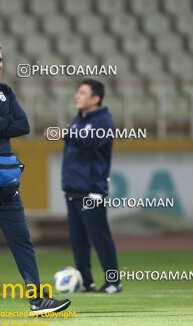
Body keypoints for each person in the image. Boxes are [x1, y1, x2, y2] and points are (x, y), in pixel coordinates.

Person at [0, 40, 71, 317]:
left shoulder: (5, 91)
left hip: (5, 175)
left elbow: (24, 125)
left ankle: (37, 300)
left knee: (22, 240)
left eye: (0, 60)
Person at [60, 79, 122, 293]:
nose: (77, 96)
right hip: (73, 189)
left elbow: (90, 142)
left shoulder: (103, 120)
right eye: (78, 92)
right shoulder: (79, 120)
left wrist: (68, 134)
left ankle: (114, 281)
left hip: (92, 190)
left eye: (82, 93)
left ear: (96, 99)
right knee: (78, 240)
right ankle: (86, 282)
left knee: (99, 237)